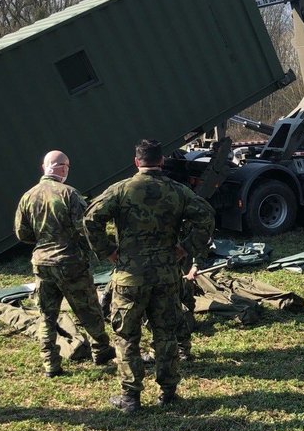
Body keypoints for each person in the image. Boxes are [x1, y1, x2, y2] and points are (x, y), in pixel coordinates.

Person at [84, 139, 214, 413]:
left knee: (127, 337)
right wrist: (185, 248)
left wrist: (108, 251)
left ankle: (130, 398)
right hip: (167, 275)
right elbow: (205, 216)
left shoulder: (120, 189)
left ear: (136, 162)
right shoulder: (177, 191)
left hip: (130, 277)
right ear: (162, 161)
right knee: (165, 334)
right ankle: (168, 393)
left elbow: (91, 218)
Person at [14, 150, 115, 376]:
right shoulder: (70, 194)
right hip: (70, 262)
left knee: (46, 314)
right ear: (63, 168)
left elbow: (22, 234)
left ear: (44, 168)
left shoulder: (27, 196)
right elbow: (85, 228)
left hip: (42, 262)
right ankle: (101, 351)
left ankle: (50, 362)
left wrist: (44, 240)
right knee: (88, 308)